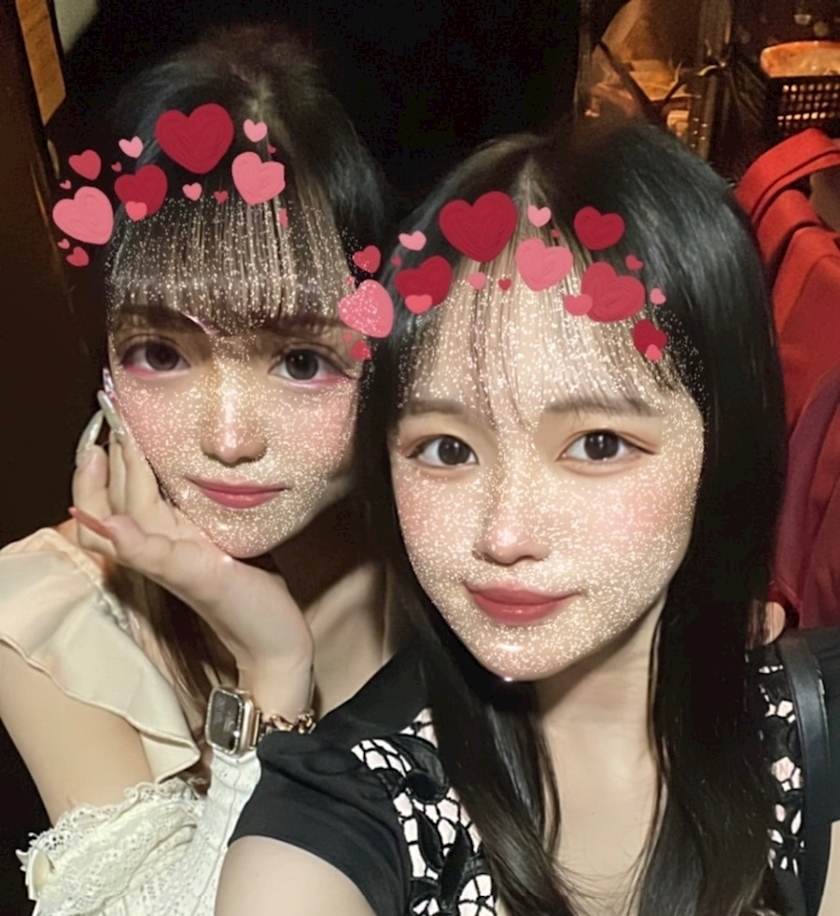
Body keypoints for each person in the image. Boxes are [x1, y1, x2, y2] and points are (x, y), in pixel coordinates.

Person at [215, 121, 840, 915]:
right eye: (446, 449)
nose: (503, 535)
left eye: (598, 444)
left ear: (723, 443)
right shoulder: (343, 811)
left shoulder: (816, 727)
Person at [0, 23, 394, 914]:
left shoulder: (460, 550)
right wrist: (273, 672)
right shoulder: (53, 614)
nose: (227, 439)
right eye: (160, 353)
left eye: (301, 360)